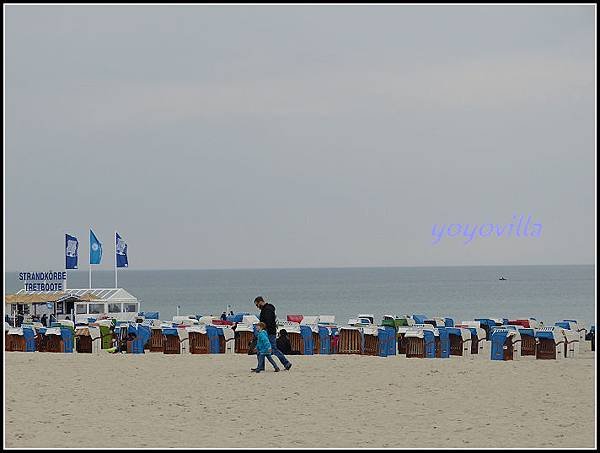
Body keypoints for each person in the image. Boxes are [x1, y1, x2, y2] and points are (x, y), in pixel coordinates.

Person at [254, 296, 292, 371]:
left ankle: (286, 363)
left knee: (272, 349)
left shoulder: (267, 310)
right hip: (269, 332)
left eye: (257, 305)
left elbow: (268, 322)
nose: (257, 307)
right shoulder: (267, 309)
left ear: (260, 302)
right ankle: (261, 366)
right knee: (264, 349)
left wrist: (263, 330)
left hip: (268, 332)